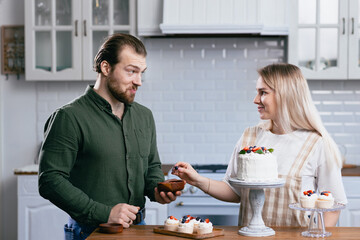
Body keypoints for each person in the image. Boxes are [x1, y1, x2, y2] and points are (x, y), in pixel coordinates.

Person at [38, 33, 181, 240]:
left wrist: (159, 190)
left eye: (141, 73)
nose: (139, 81)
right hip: (90, 231)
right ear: (106, 68)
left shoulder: (144, 116)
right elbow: (50, 180)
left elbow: (151, 167)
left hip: (139, 228)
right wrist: (105, 213)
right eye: (131, 71)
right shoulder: (69, 117)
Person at [172, 63, 347, 227]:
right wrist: (197, 180)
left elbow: (333, 206)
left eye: (263, 92)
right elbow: (234, 191)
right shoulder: (250, 137)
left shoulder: (316, 144)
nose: (256, 100)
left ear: (286, 95)